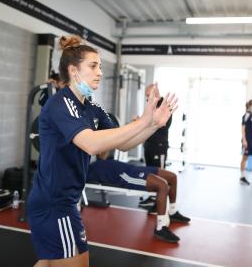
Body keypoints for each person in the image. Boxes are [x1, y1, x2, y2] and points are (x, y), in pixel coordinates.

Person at [27, 35, 178, 267]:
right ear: (73, 70)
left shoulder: (93, 107)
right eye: (93, 66)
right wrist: (143, 120)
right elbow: (92, 144)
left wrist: (153, 124)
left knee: (48, 262)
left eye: (100, 66)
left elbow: (124, 142)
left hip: (65, 201)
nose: (99, 72)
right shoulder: (61, 103)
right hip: (54, 204)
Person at [87, 151, 190, 243]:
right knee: (162, 185)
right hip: (126, 176)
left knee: (172, 176)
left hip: (134, 169)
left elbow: (103, 153)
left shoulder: (102, 159)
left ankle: (172, 212)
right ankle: (160, 228)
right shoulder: (90, 169)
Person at [140, 84, 173, 208]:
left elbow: (161, 124)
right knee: (150, 172)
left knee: (160, 174)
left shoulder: (164, 106)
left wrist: (144, 123)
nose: (148, 99)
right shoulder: (152, 106)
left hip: (159, 146)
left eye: (149, 96)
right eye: (146, 97)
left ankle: (160, 201)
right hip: (149, 145)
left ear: (156, 94)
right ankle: (152, 197)